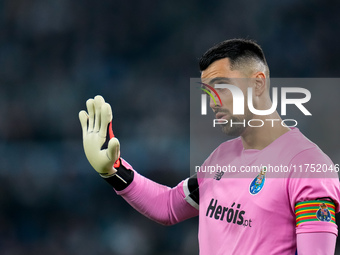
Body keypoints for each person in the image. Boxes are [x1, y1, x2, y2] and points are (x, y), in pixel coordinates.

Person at [79, 39, 340, 254]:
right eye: (207, 93)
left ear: (258, 83)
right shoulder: (221, 157)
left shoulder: (307, 167)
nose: (212, 102)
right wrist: (114, 170)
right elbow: (169, 206)